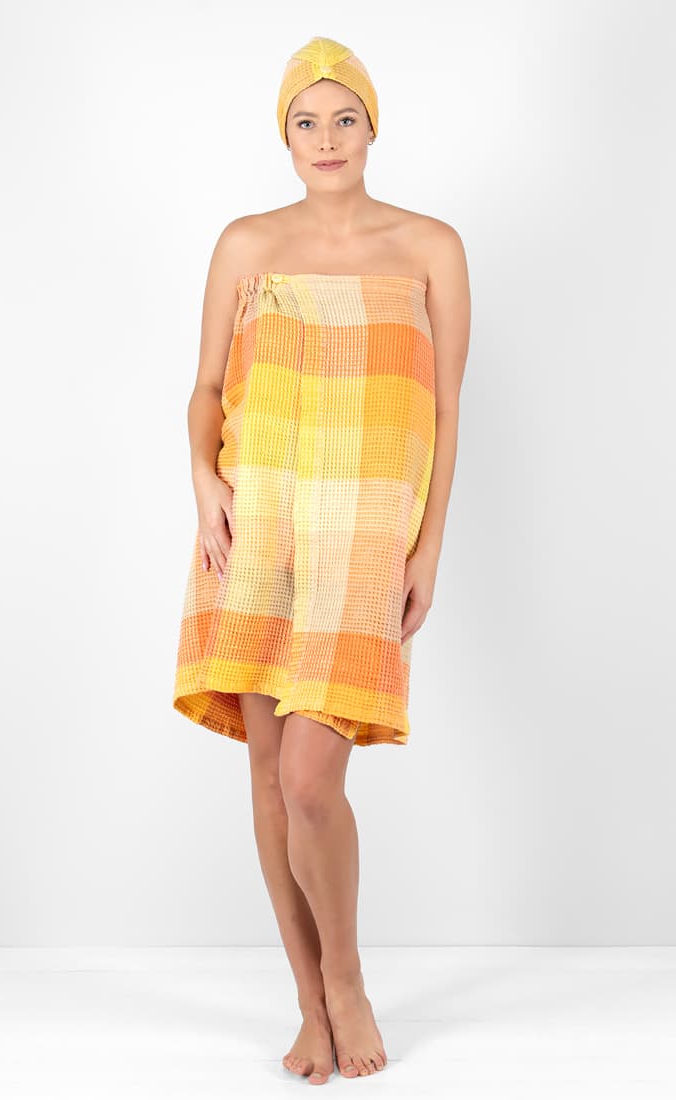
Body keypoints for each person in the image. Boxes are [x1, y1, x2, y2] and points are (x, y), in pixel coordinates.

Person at [172, 35, 469, 1085]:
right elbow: (207, 388)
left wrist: (428, 545)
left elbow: (445, 409)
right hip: (255, 524)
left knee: (309, 779)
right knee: (267, 772)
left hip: (363, 535)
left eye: (345, 119)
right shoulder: (246, 243)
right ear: (284, 134)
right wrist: (202, 477)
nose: (326, 138)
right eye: (307, 121)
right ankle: (308, 1003)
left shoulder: (429, 246)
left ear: (372, 127)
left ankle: (346, 979)